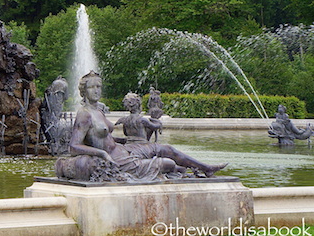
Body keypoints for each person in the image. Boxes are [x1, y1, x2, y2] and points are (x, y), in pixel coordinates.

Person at [58, 71, 226, 181]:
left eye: (99, 86)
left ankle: (206, 168)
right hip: (119, 160)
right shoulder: (84, 114)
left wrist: (122, 141)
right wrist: (101, 153)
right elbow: (74, 146)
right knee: (167, 163)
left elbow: (100, 136)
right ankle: (182, 171)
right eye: (92, 87)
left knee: (166, 148)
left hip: (125, 149)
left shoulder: (98, 110)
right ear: (84, 91)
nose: (97, 90)